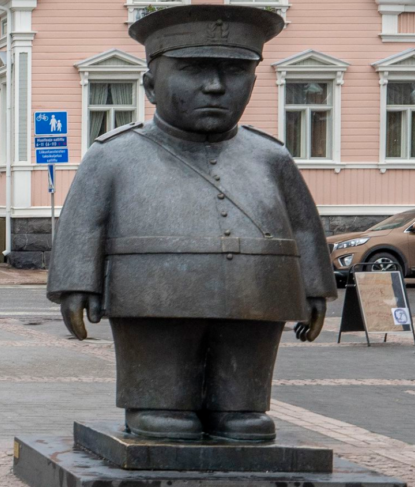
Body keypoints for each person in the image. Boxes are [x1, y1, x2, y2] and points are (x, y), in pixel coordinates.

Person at [47, 5, 336, 442]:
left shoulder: (271, 157)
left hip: (256, 292)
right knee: (164, 383)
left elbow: (304, 226)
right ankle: (156, 399)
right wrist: (75, 283)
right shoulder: (113, 155)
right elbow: (83, 222)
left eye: (234, 72)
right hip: (151, 294)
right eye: (193, 70)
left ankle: (239, 404)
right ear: (149, 85)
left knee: (245, 393)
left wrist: (314, 287)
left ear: (253, 81)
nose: (216, 87)